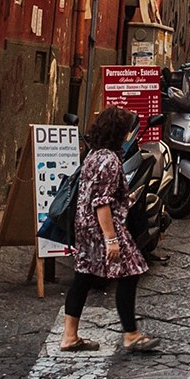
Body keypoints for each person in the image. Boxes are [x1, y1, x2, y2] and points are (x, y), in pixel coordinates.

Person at [59, 106, 157, 353]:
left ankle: (70, 336)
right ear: (119, 133)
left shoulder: (93, 154)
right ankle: (131, 335)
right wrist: (111, 239)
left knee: (83, 276)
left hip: (84, 224)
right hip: (101, 227)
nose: (128, 135)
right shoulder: (110, 161)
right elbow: (102, 201)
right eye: (126, 130)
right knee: (131, 271)